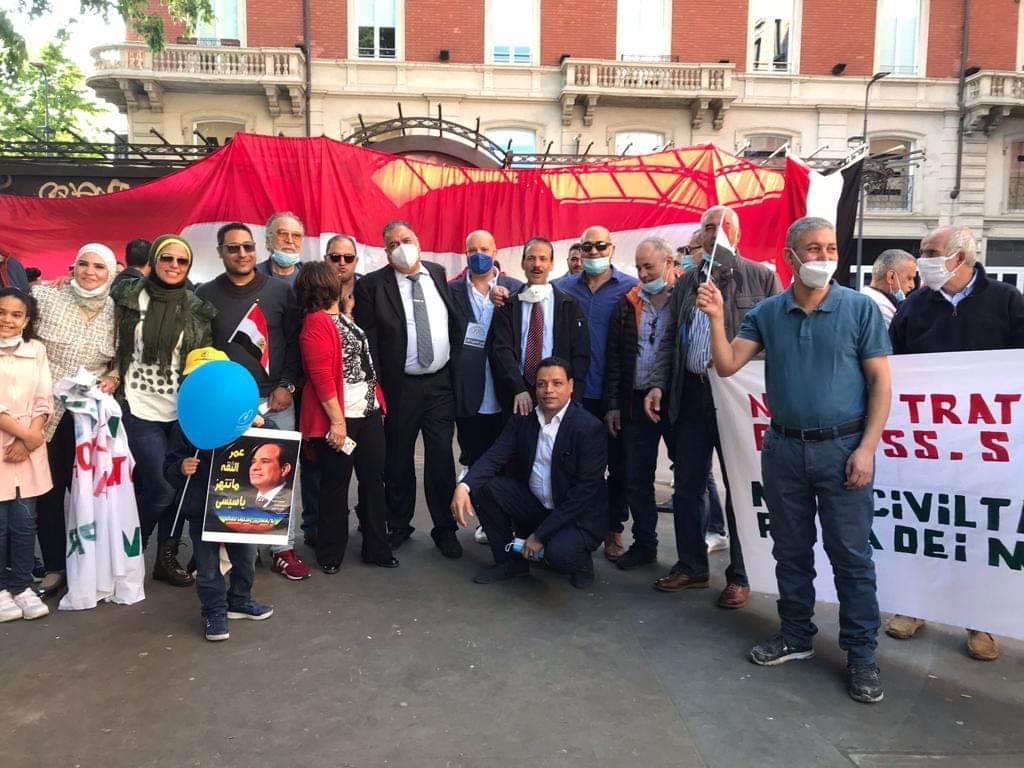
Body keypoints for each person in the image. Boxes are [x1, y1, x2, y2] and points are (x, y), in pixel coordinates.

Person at [700, 216, 892, 704]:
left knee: (851, 557)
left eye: (830, 248)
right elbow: (727, 364)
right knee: (790, 550)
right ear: (790, 257)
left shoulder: (859, 309)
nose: (824, 257)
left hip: (843, 450)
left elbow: (881, 383)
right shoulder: (768, 313)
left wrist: (867, 448)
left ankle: (862, 654)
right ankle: (796, 635)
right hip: (784, 449)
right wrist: (716, 318)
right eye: (813, 249)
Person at [887, 225, 1024, 662]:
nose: (922, 259)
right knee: (925, 525)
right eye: (922, 251)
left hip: (986, 447)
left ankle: (979, 620)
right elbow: (894, 365)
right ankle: (915, 607)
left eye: (930, 252)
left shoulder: (1007, 301)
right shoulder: (914, 306)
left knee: (978, 531)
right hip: (927, 444)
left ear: (960, 257)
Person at [644, 205, 781, 608]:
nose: (715, 232)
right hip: (691, 393)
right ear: (700, 235)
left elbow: (778, 340)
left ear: (738, 234)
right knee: (688, 484)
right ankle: (691, 566)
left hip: (737, 397)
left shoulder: (760, 277)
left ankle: (741, 575)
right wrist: (658, 384)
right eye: (708, 227)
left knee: (740, 486)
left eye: (723, 226)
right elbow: (670, 337)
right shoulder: (688, 280)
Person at [195, 222, 310, 580]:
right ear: (220, 252)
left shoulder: (280, 291)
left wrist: (287, 385)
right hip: (226, 401)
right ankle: (231, 548)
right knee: (230, 474)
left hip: (274, 399)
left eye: (247, 247)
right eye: (233, 248)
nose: (242, 254)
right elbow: (200, 349)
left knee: (280, 475)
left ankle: (281, 548)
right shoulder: (205, 293)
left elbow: (294, 342)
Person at [353, 220, 463, 558]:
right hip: (400, 388)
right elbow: (368, 342)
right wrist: (376, 391)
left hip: (440, 383)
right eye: (392, 244)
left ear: (418, 240)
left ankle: (445, 528)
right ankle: (399, 524)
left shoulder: (437, 273)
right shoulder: (373, 285)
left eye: (406, 239)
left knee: (441, 456)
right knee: (398, 460)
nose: (401, 247)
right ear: (386, 252)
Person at [113, 235, 216, 588]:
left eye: (181, 261)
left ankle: (166, 559)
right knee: (161, 486)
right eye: (166, 258)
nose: (173, 265)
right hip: (139, 405)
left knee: (178, 483)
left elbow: (202, 358)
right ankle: (130, 552)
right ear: (154, 260)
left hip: (181, 408)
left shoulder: (196, 307)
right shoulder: (129, 295)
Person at [450, 357, 607, 588]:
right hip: (537, 506)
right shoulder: (523, 419)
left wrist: (539, 536)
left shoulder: (589, 428)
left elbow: (584, 494)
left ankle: (580, 561)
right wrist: (464, 486)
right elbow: (494, 456)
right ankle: (510, 562)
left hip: (576, 516)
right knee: (483, 487)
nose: (548, 390)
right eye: (541, 384)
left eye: (557, 383)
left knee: (559, 555)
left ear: (571, 386)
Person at [165, 348, 273, 642]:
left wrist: (262, 424)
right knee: (208, 566)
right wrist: (180, 467)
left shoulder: (244, 418)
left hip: (240, 505)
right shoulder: (185, 424)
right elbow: (169, 465)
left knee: (246, 558)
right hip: (201, 508)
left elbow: (276, 439)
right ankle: (214, 611)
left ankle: (240, 599)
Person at [296, 262, 396, 572]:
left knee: (373, 482)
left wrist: (377, 405)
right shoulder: (316, 322)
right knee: (335, 486)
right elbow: (321, 377)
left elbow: (364, 363)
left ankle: (377, 548)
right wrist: (337, 423)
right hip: (341, 419)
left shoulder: (340, 318)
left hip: (367, 414)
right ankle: (330, 553)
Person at [31, 244, 119, 595]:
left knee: (89, 494)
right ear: (72, 267)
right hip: (45, 413)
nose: (90, 272)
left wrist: (115, 376)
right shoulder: (44, 297)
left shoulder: (119, 310)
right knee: (48, 494)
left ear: (111, 273)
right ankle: (55, 565)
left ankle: (89, 565)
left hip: (89, 418)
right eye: (83, 264)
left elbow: (123, 357)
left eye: (99, 266)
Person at [557, 226, 639, 560]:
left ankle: (613, 529)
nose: (593, 252)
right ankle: (572, 525)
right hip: (574, 393)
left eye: (600, 246)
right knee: (572, 464)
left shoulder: (630, 288)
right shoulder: (562, 288)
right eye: (587, 246)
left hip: (613, 394)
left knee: (617, 466)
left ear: (612, 249)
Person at [603, 237, 676, 570]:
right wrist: (613, 404)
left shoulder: (685, 299)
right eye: (639, 267)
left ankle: (691, 559)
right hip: (634, 401)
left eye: (649, 267)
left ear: (669, 263)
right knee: (637, 476)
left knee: (691, 480)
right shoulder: (628, 302)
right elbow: (615, 357)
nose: (643, 274)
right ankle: (645, 544)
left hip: (676, 401)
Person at [449, 230, 523, 469]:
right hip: (467, 390)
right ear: (465, 253)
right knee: (472, 455)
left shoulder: (515, 289)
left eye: (484, 249)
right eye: (472, 250)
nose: (478, 254)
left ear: (495, 252)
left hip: (505, 388)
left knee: (506, 458)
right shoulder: (451, 291)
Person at [489, 238, 589, 415]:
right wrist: (518, 388)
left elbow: (580, 354)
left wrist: (573, 397)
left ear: (551, 264)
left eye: (543, 259)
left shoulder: (569, 305)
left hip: (558, 396)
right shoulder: (508, 305)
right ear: (523, 263)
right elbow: (502, 350)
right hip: (518, 396)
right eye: (531, 258)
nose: (537, 265)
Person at [0, 288, 53, 622]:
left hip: (28, 448)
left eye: (16, 314)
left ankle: (21, 586)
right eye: (1, 312)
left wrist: (31, 437)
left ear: (27, 320)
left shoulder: (36, 350)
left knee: (24, 521)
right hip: (9, 443)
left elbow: (44, 397)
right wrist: (27, 435)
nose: (7, 319)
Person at [861, 249, 917, 328]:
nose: (912, 285)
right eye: (909, 278)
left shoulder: (865, 299)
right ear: (891, 277)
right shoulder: (881, 309)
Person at [257, 211, 306, 285]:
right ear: (268, 240)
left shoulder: (311, 278)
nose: (290, 240)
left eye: (296, 235)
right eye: (283, 234)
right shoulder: (252, 276)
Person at [325, 234, 359, 316]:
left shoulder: (368, 286)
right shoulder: (315, 287)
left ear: (356, 261)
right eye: (335, 257)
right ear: (325, 259)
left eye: (348, 258)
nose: (342, 263)